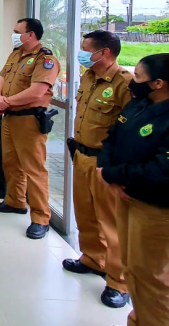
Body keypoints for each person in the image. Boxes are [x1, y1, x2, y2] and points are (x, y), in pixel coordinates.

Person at [98, 54, 169, 326]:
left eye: (138, 77)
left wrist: (113, 174)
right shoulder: (139, 105)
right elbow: (112, 139)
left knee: (151, 277)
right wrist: (109, 174)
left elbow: (165, 170)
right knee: (134, 269)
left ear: (158, 83)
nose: (132, 81)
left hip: (159, 209)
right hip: (129, 196)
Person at [60, 31, 132, 308]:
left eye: (85, 48)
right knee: (86, 213)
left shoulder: (124, 83)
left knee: (111, 223)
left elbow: (130, 129)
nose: (80, 52)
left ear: (104, 53)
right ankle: (92, 258)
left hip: (105, 161)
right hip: (82, 154)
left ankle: (119, 282)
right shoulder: (89, 77)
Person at [0, 18, 61, 240]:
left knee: (34, 169)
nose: (13, 34)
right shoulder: (16, 53)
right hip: (10, 118)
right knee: (11, 163)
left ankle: (41, 218)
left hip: (29, 120)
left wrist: (6, 102)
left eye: (16, 31)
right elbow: (1, 79)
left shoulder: (45, 59)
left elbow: (37, 92)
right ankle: (15, 201)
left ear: (30, 34)